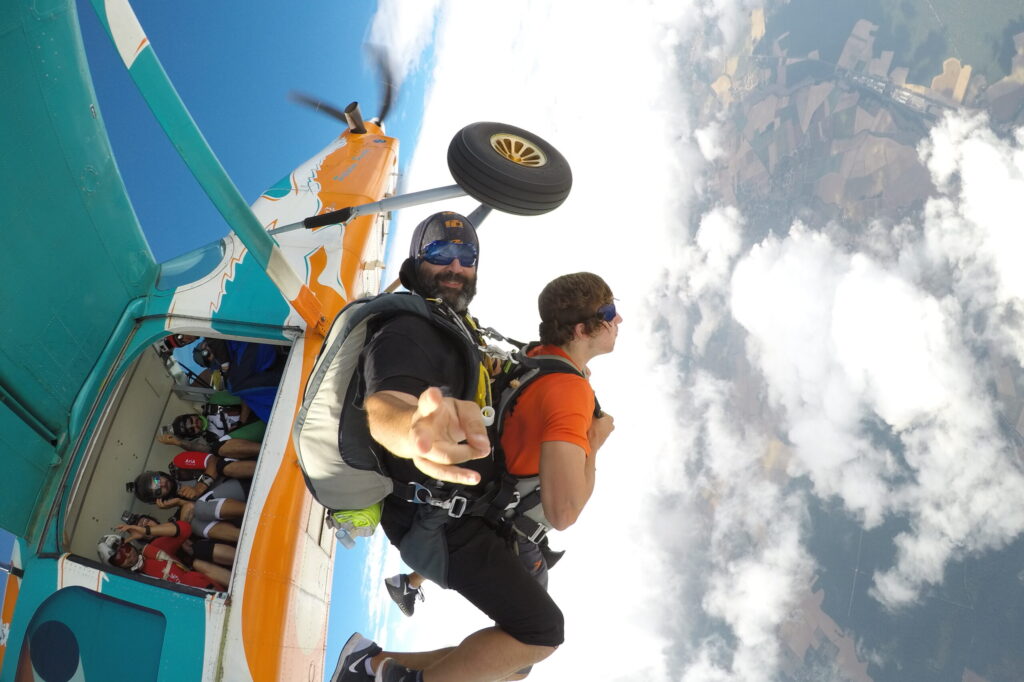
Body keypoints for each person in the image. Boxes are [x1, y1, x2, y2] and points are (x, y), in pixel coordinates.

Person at [334, 212, 561, 682]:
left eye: (467, 257)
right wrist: (414, 431)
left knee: (512, 661)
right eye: (439, 254)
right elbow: (386, 405)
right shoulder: (407, 329)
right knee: (539, 632)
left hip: (463, 512)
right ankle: (372, 667)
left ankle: (370, 665)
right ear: (416, 265)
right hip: (438, 522)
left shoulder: (453, 328)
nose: (455, 266)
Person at [97, 520, 227, 589]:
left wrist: (146, 530)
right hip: (189, 611)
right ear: (115, 566)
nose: (127, 555)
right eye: (119, 558)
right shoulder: (131, 586)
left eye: (125, 548)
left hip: (210, 590)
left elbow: (185, 529)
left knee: (196, 569)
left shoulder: (152, 550)